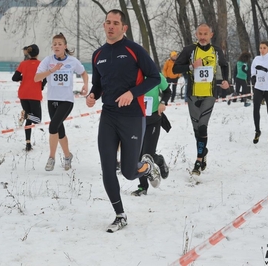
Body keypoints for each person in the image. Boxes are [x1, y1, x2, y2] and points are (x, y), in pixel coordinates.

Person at [86, 9, 161, 233]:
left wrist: (133, 93)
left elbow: (154, 77)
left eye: (115, 23)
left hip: (132, 116)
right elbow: (98, 85)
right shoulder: (98, 54)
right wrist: (92, 95)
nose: (111, 26)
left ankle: (147, 166)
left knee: (129, 172)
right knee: (107, 168)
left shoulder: (134, 50)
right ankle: (120, 215)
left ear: (124, 27)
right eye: (108, 22)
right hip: (108, 115)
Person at [172, 23, 230, 175]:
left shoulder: (216, 51)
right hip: (193, 95)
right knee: (197, 130)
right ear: (196, 35)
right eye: (200, 34)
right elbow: (175, 69)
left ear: (211, 35)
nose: (203, 37)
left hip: (210, 94)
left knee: (203, 126)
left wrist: (225, 80)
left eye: (206, 34)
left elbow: (224, 66)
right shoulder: (189, 50)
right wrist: (191, 66)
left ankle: (198, 161)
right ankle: (203, 152)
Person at [35, 33, 88, 171]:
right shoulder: (47, 61)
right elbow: (36, 78)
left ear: (65, 46)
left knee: (53, 126)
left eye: (60, 44)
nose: (57, 46)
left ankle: (51, 158)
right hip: (52, 99)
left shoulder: (72, 61)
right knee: (59, 129)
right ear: (52, 46)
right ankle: (67, 155)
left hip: (66, 100)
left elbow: (83, 72)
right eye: (54, 44)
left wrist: (85, 85)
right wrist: (51, 70)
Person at [131, 73, 171, 196]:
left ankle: (159, 161)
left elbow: (167, 91)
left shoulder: (155, 75)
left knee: (148, 155)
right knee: (137, 156)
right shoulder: (131, 75)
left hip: (153, 119)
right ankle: (143, 187)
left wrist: (163, 102)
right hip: (136, 120)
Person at [12, 44, 46, 151]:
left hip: (23, 94)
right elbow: (45, 78)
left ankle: (28, 143)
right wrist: (41, 86)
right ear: (38, 53)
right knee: (37, 120)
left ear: (28, 53)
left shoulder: (23, 64)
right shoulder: (41, 64)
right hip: (34, 94)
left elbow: (15, 78)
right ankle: (25, 115)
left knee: (29, 119)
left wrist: (24, 76)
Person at [250, 41, 268, 145]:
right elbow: (253, 69)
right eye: (260, 48)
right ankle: (257, 131)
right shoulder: (256, 59)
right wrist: (253, 77)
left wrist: (266, 70)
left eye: (264, 48)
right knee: (256, 109)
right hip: (259, 87)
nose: (262, 50)